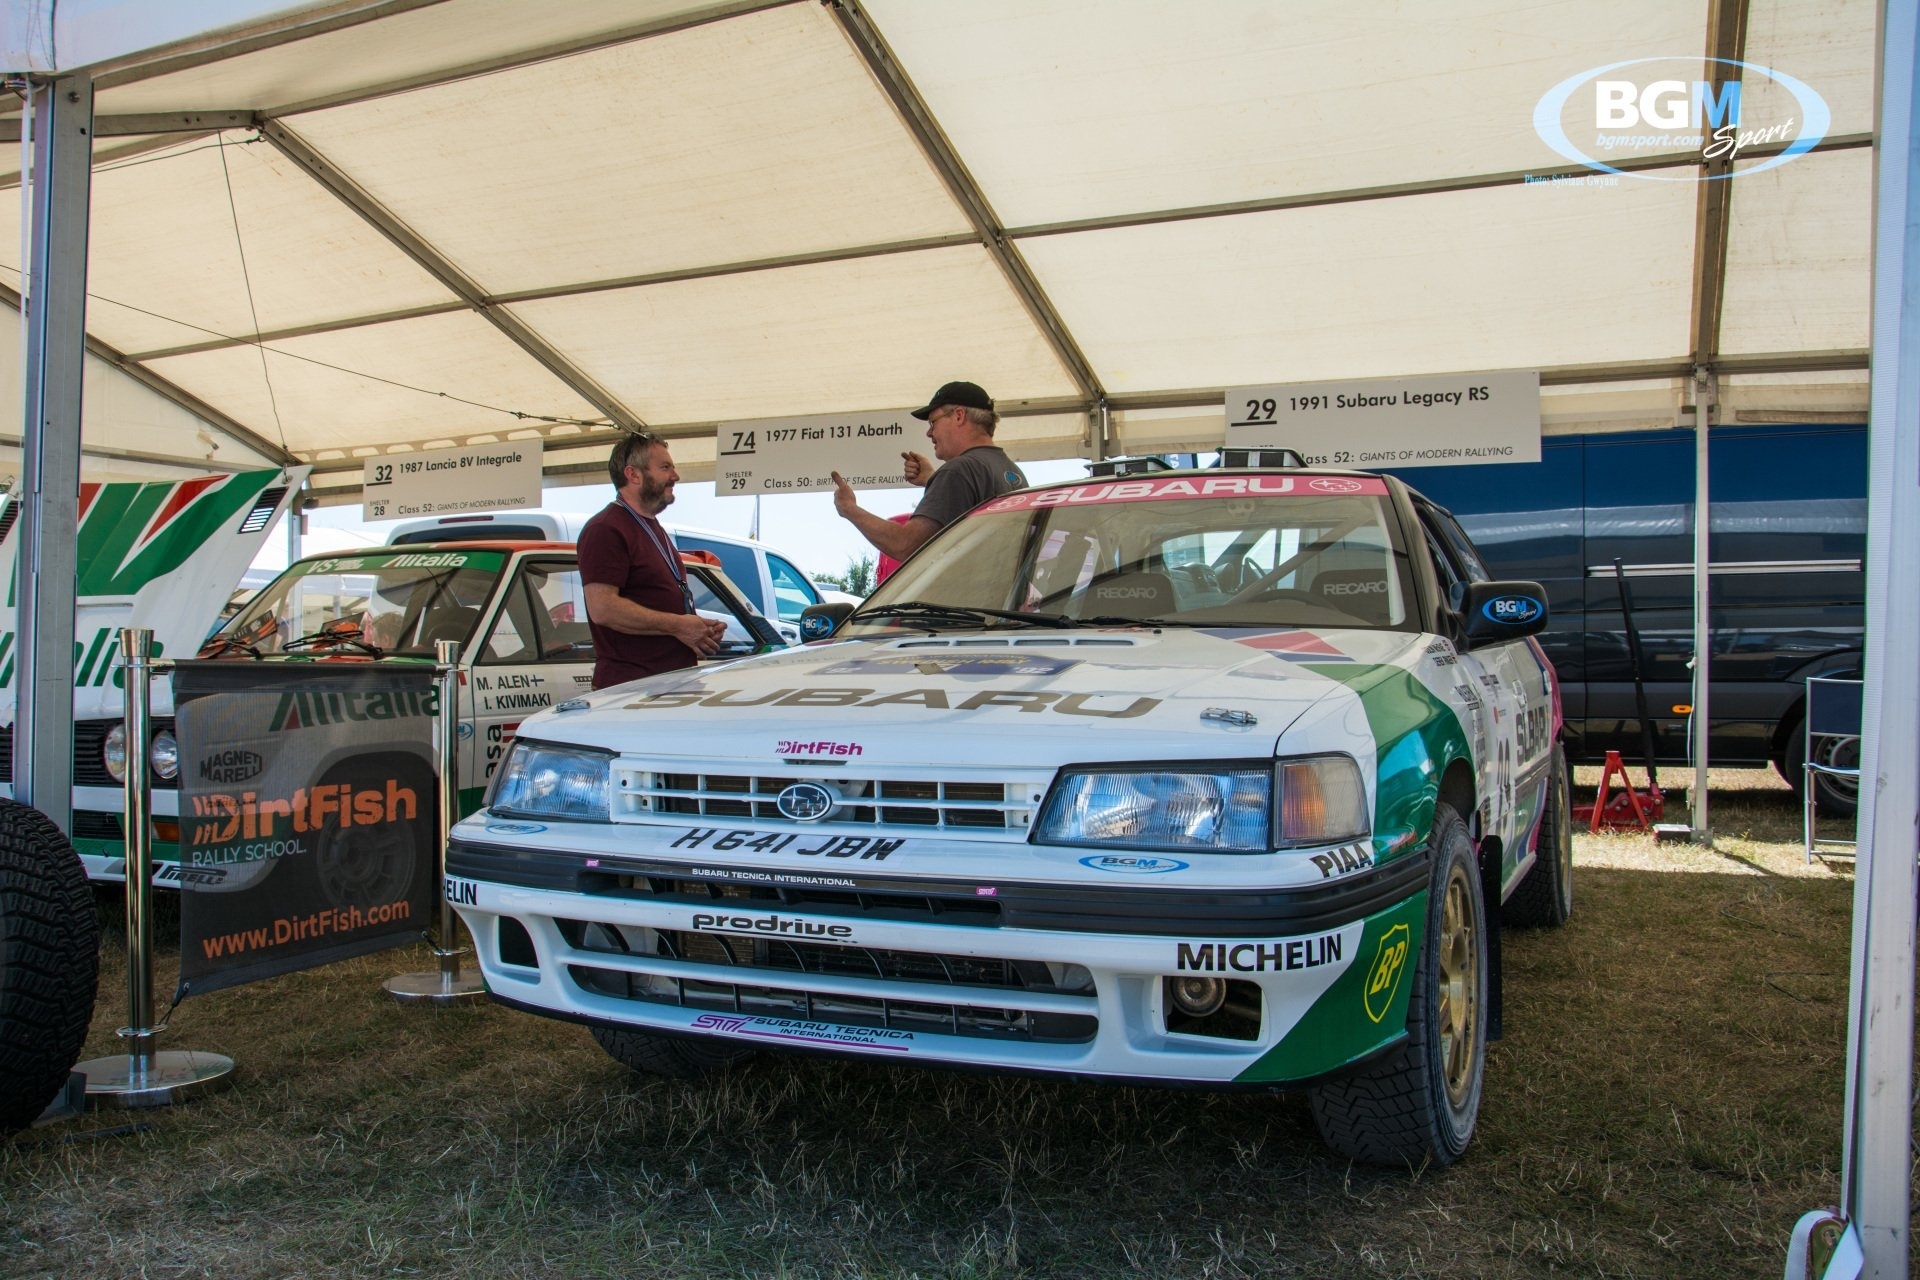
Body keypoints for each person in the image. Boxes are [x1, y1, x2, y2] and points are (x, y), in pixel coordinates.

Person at [579, 432, 726, 689]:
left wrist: (698, 628)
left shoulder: (652, 527)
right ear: (633, 475)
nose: (675, 476)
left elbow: (653, 599)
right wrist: (678, 625)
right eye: (665, 467)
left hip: (668, 684)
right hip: (631, 691)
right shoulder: (606, 528)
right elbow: (603, 608)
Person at [831, 380, 1027, 565]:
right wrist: (933, 480)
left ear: (959, 416)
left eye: (933, 422)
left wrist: (850, 509)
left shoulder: (958, 471)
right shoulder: (1011, 471)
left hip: (963, 599)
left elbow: (905, 545)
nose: (929, 433)